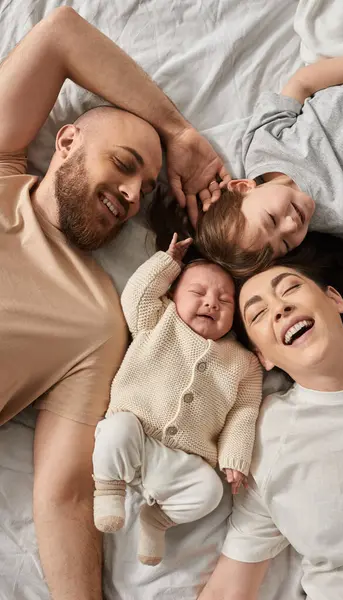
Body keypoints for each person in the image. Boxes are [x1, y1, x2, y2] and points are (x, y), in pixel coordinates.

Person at [0, 7, 229, 600]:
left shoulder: (101, 320)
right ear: (67, 139)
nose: (131, 195)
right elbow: (60, 35)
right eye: (125, 166)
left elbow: (67, 495)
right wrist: (177, 135)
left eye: (146, 190)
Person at [198, 232, 343, 600]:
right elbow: (229, 589)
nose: (279, 308)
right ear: (263, 357)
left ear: (335, 299)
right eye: (258, 313)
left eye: (290, 288)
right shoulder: (266, 437)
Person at [92, 234, 262, 566]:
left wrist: (235, 456)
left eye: (224, 301)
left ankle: (157, 520)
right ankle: (108, 489)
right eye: (198, 293)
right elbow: (136, 295)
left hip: (181, 461)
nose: (211, 303)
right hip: (135, 433)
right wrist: (167, 263)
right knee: (116, 429)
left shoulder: (243, 362)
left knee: (210, 492)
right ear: (172, 295)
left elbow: (244, 411)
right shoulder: (158, 319)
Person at [196, 46, 343, 276]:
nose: (291, 226)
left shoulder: (263, 148)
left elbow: (302, 84)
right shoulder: (340, 217)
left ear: (243, 187)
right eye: (284, 244)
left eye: (271, 220)